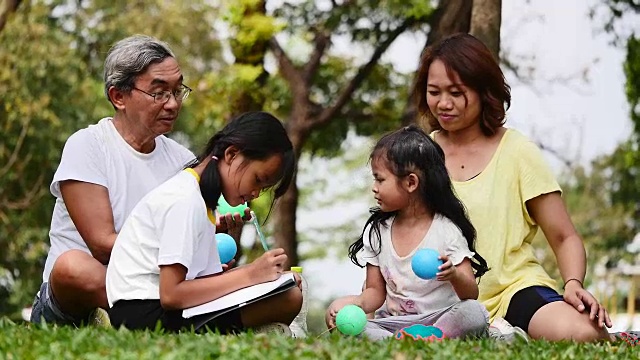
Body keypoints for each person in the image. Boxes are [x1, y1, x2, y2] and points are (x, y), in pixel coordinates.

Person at [30, 34, 245, 326]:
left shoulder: (183, 162)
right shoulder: (88, 146)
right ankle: (167, 317)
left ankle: (138, 318)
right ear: (118, 96)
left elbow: (188, 250)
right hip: (86, 288)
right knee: (72, 266)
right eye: (159, 93)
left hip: (154, 289)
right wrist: (181, 257)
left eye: (178, 90)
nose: (172, 104)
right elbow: (103, 245)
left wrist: (206, 243)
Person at [413, 33, 612, 342]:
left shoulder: (517, 150)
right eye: (434, 92)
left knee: (586, 333)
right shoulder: (420, 155)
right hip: (442, 301)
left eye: (456, 92)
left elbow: (564, 236)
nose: (444, 103)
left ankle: (507, 329)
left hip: (514, 290)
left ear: (484, 92)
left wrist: (573, 282)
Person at [106, 111, 302, 333]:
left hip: (156, 309)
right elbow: (171, 295)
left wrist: (261, 278)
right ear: (231, 154)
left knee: (287, 290)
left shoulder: (201, 200)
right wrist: (250, 274)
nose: (256, 193)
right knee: (288, 298)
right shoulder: (185, 199)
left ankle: (251, 332)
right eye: (258, 180)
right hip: (144, 316)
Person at [325, 125, 490, 340]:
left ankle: (431, 336)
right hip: (395, 324)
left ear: (411, 182)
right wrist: (351, 303)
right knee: (348, 328)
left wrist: (454, 275)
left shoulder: (446, 230)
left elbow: (470, 294)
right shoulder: (378, 232)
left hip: (439, 319)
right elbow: (374, 293)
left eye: (380, 179)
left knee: (473, 313)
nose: (374, 187)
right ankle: (412, 340)